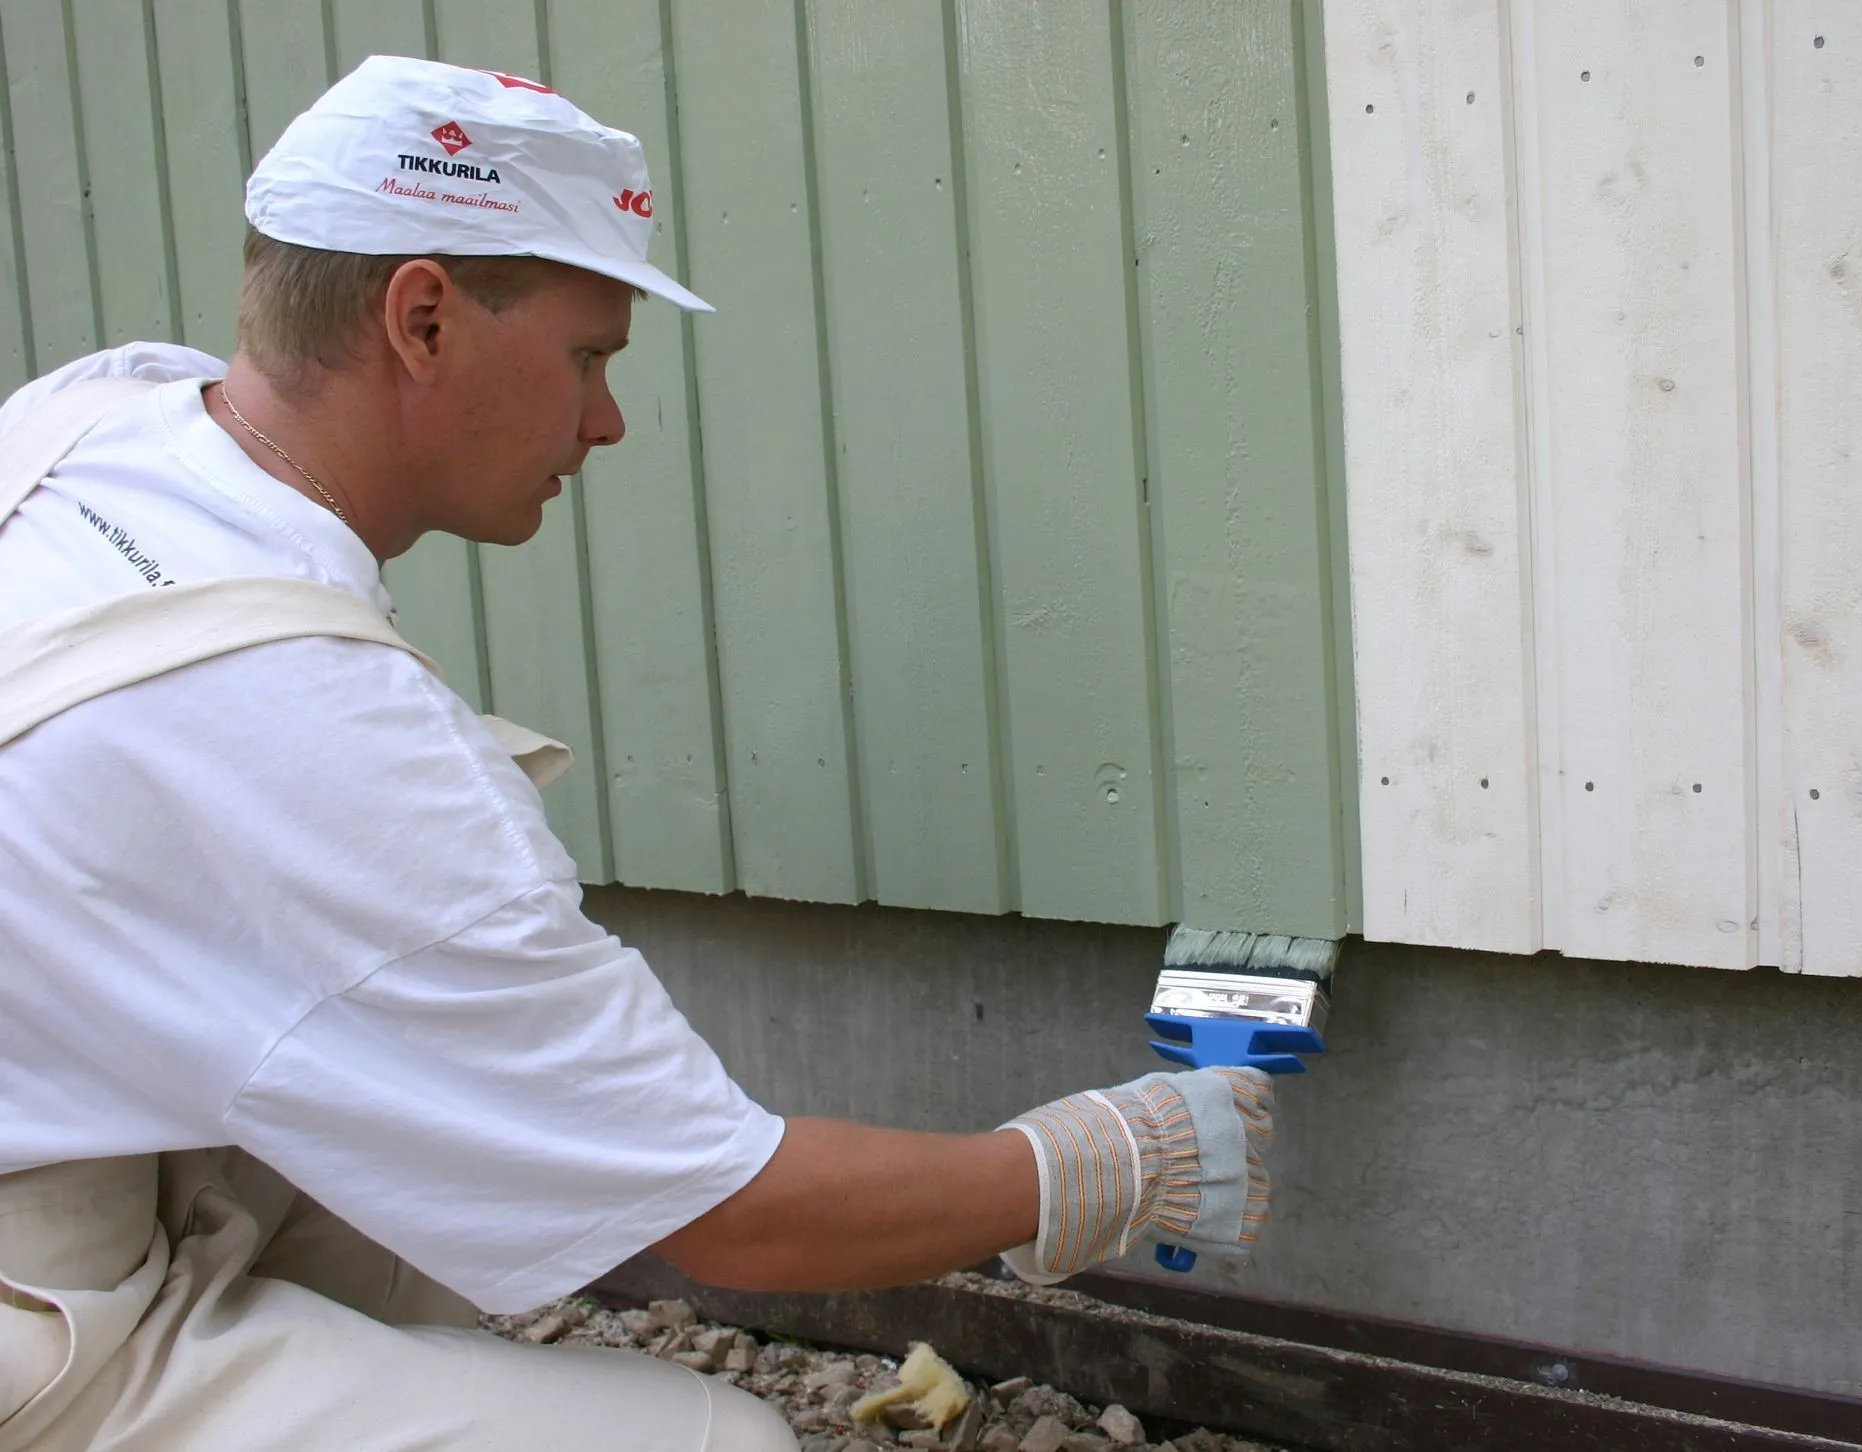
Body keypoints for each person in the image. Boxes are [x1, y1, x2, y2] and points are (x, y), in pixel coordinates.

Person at [0, 56, 1274, 1452]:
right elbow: (726, 1210)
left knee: (433, 1181)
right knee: (717, 1443)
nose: (605, 421)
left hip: (67, 1130)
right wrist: (1093, 1162)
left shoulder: (102, 423)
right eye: (587, 357)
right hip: (39, 1311)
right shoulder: (307, 730)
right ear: (420, 317)